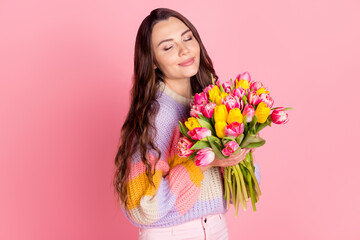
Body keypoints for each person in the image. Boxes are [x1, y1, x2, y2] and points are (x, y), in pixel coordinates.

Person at [113, 8, 261, 240]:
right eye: (168, 47)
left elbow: (243, 191)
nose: (184, 50)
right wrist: (202, 164)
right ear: (152, 61)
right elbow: (141, 207)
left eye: (187, 37)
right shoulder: (157, 115)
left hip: (215, 228)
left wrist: (239, 150)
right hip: (174, 233)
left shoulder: (212, 102)